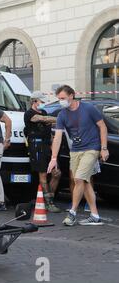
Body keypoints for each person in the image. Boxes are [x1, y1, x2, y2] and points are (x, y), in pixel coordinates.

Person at [47, 85, 109, 226]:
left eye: (62, 98)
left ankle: (72, 213)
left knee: (79, 178)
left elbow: (103, 126)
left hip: (91, 148)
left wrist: (104, 148)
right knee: (84, 182)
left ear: (71, 96)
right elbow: (57, 137)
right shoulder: (62, 114)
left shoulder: (88, 108)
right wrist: (54, 158)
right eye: (59, 99)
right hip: (75, 151)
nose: (60, 101)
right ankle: (95, 215)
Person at [24, 91, 62, 213]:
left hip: (47, 145)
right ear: (34, 101)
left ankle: (48, 199)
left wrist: (52, 146)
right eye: (42, 101)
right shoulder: (29, 114)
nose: (44, 104)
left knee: (57, 173)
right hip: (36, 145)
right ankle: (48, 202)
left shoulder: (44, 111)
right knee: (43, 174)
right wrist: (62, 119)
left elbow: (48, 130)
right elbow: (42, 119)